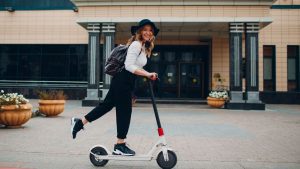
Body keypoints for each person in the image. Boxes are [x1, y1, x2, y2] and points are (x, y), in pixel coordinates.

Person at [71, 19, 159, 156]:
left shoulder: (144, 47)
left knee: (106, 105)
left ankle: (79, 123)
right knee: (125, 111)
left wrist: (146, 75)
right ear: (140, 31)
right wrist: (147, 74)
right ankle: (120, 145)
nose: (148, 32)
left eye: (150, 30)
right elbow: (129, 66)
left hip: (125, 81)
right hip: (123, 80)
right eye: (145, 29)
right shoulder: (136, 45)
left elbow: (136, 67)